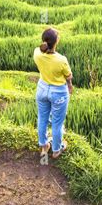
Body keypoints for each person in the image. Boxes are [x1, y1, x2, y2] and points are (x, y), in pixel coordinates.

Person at [33, 28, 73, 159]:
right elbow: (68, 76)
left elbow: (40, 49)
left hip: (42, 89)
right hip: (58, 92)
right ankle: (56, 150)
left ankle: (44, 145)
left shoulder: (37, 53)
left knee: (42, 118)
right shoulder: (61, 59)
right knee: (57, 123)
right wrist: (70, 87)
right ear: (56, 42)